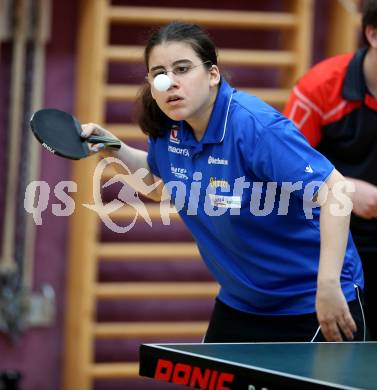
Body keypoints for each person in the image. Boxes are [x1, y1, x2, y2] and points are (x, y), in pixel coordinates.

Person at [81, 21, 365, 343]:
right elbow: (162, 181)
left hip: (309, 300)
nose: (170, 82)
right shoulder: (170, 129)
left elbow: (336, 191)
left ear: (213, 74)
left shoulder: (254, 126)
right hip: (242, 303)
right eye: (159, 73)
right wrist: (113, 148)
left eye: (183, 69)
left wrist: (326, 285)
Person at [284, 0, 377, 340]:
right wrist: (346, 188)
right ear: (372, 34)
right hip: (330, 243)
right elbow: (283, 176)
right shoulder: (320, 88)